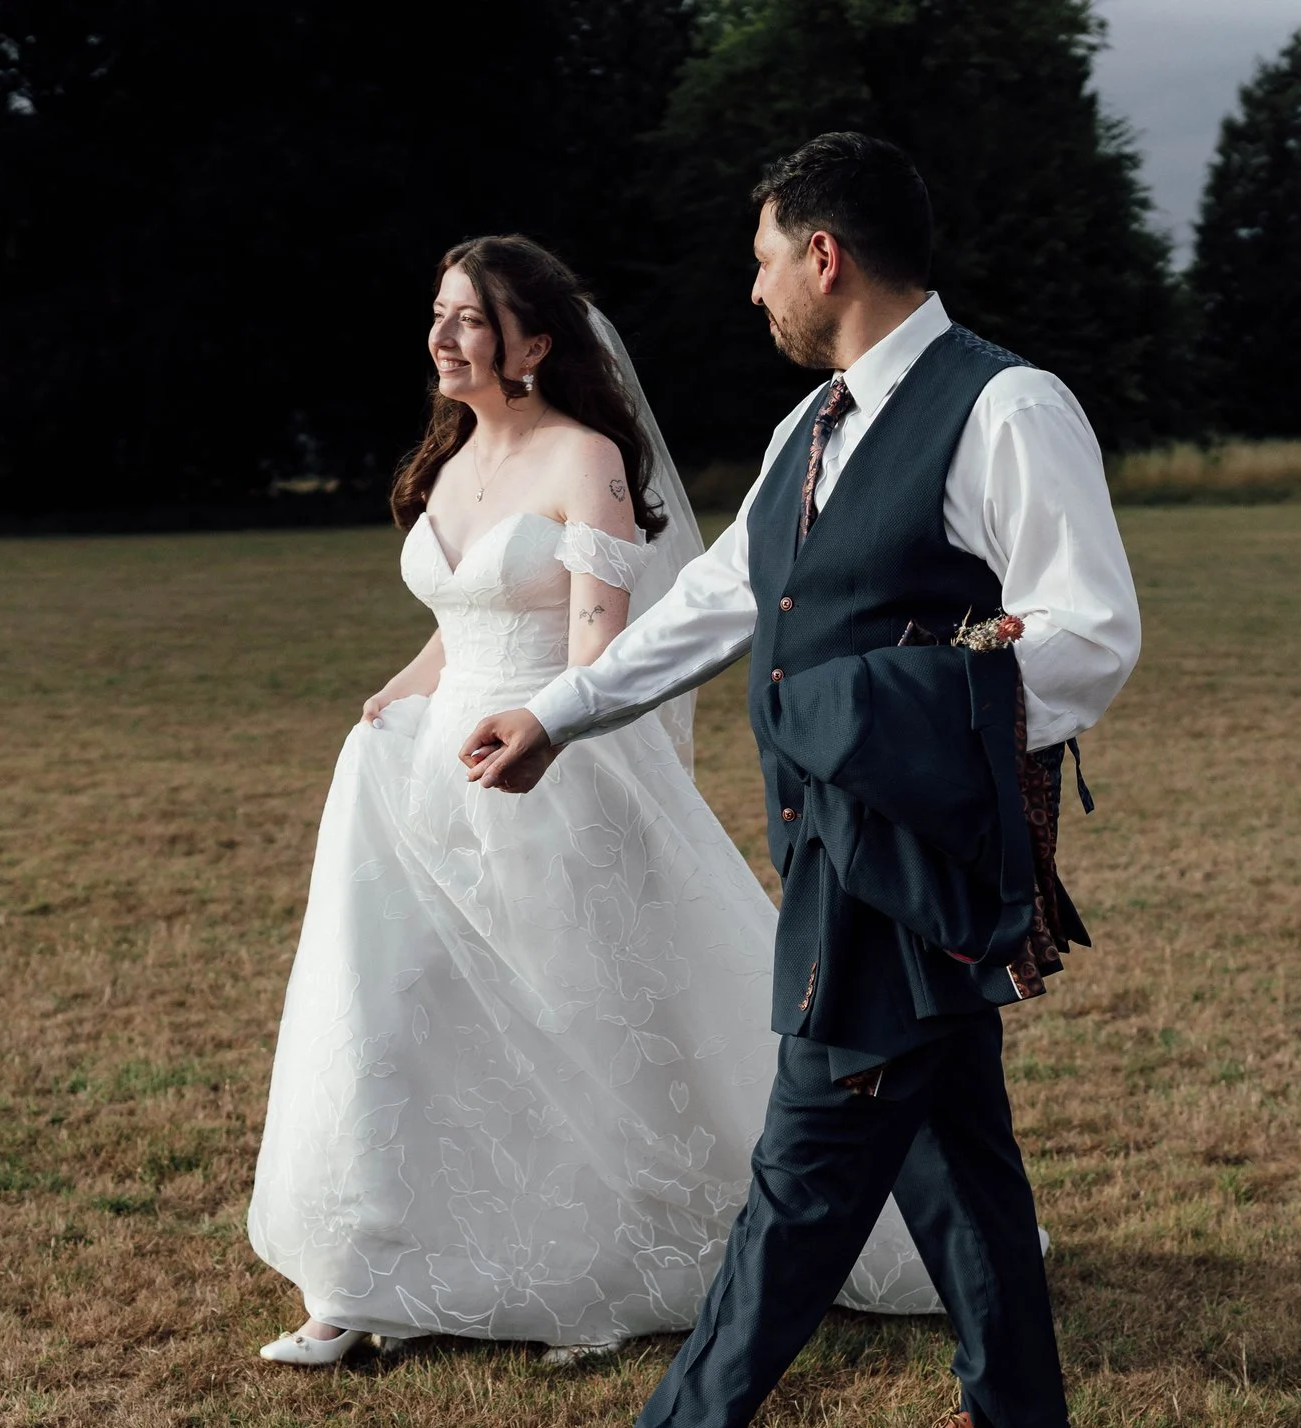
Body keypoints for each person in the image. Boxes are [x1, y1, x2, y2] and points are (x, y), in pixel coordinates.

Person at [459, 133, 1141, 1428]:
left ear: (824, 255)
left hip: (915, 852)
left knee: (809, 1164)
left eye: (765, 255)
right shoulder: (809, 427)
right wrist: (560, 711)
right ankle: (1018, 1420)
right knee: (956, 1137)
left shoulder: (1007, 407)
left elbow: (1088, 633)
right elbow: (719, 599)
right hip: (835, 843)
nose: (753, 285)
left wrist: (899, 699)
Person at [245, 234, 946, 1370]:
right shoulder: (452, 459)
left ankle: (598, 1270)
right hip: (419, 779)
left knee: (571, 1015)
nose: (441, 336)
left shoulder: (588, 462)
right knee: (399, 1017)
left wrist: (548, 733)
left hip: (546, 764)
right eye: (437, 314)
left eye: (468, 318)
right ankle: (363, 1277)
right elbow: (463, 619)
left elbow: (591, 641)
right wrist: (395, 692)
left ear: (532, 342)